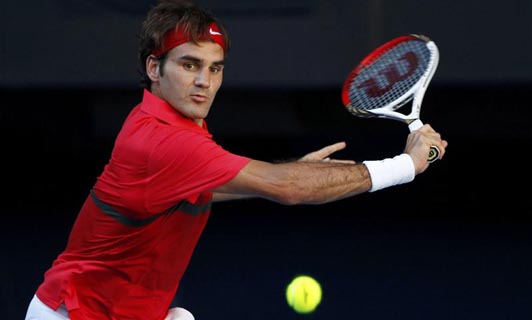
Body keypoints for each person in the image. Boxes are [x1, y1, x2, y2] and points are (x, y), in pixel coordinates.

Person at [25, 0, 448, 319]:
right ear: (155, 68)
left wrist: (294, 165)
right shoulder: (164, 140)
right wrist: (406, 166)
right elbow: (290, 190)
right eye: (189, 64)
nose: (203, 82)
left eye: (215, 68)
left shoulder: (170, 124)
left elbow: (198, 188)